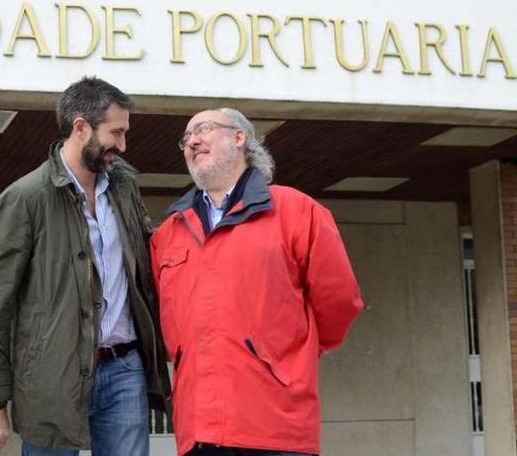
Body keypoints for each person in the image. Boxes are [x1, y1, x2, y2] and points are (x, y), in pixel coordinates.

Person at [0, 77, 171, 456]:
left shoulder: (125, 186)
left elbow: (149, 264)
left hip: (125, 369)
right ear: (81, 127)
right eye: (116, 132)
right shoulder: (25, 198)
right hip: (51, 378)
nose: (123, 145)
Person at [150, 108, 364, 456]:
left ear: (239, 138)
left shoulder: (297, 211)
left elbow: (339, 301)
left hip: (275, 424)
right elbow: (168, 323)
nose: (191, 141)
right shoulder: (168, 234)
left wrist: (281, 356)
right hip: (198, 427)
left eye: (203, 129)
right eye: (185, 138)